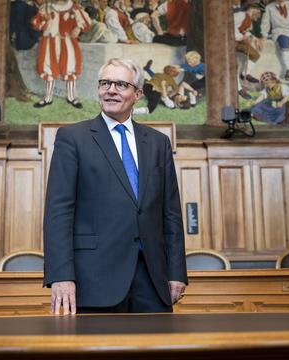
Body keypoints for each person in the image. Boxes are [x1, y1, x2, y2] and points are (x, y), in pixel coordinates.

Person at [44, 58, 187, 315]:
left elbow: (171, 214)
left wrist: (177, 273)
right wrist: (61, 276)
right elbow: (58, 213)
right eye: (105, 83)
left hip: (153, 281)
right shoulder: (73, 138)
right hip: (94, 280)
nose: (111, 90)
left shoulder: (158, 143)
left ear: (138, 94)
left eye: (121, 84)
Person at [31, 0, 91, 108]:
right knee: (48, 67)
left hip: (67, 42)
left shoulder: (73, 7)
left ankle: (71, 97)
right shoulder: (46, 7)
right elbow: (36, 24)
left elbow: (86, 22)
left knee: (70, 67)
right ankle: (48, 98)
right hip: (49, 41)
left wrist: (78, 28)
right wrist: (44, 19)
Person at [234, 4, 262, 99]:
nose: (258, 14)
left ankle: (245, 74)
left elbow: (246, 31)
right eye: (257, 12)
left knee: (255, 55)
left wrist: (254, 38)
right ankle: (239, 89)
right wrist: (242, 37)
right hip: (229, 42)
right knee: (234, 66)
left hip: (239, 42)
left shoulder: (249, 20)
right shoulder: (240, 15)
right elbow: (231, 28)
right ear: (252, 9)